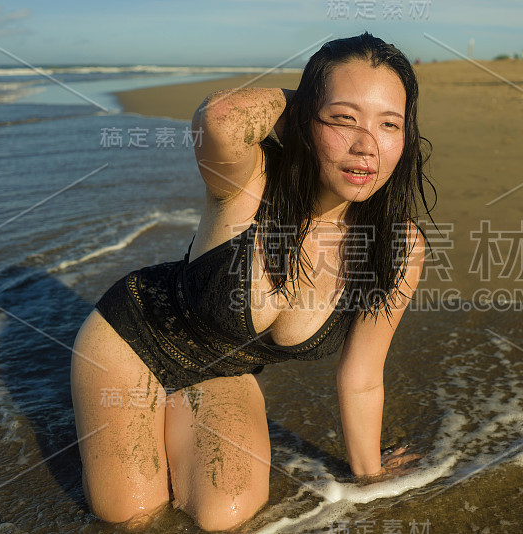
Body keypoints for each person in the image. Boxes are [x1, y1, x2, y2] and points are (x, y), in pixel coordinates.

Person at [70, 32, 435, 532]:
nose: (366, 145)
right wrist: (306, 103)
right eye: (343, 118)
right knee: (130, 513)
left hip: (223, 370)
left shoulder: (396, 246)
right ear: (305, 118)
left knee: (226, 515)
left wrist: (370, 476)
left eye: (388, 125)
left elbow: (362, 377)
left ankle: (177, 417)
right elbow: (220, 119)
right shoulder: (249, 179)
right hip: (131, 344)